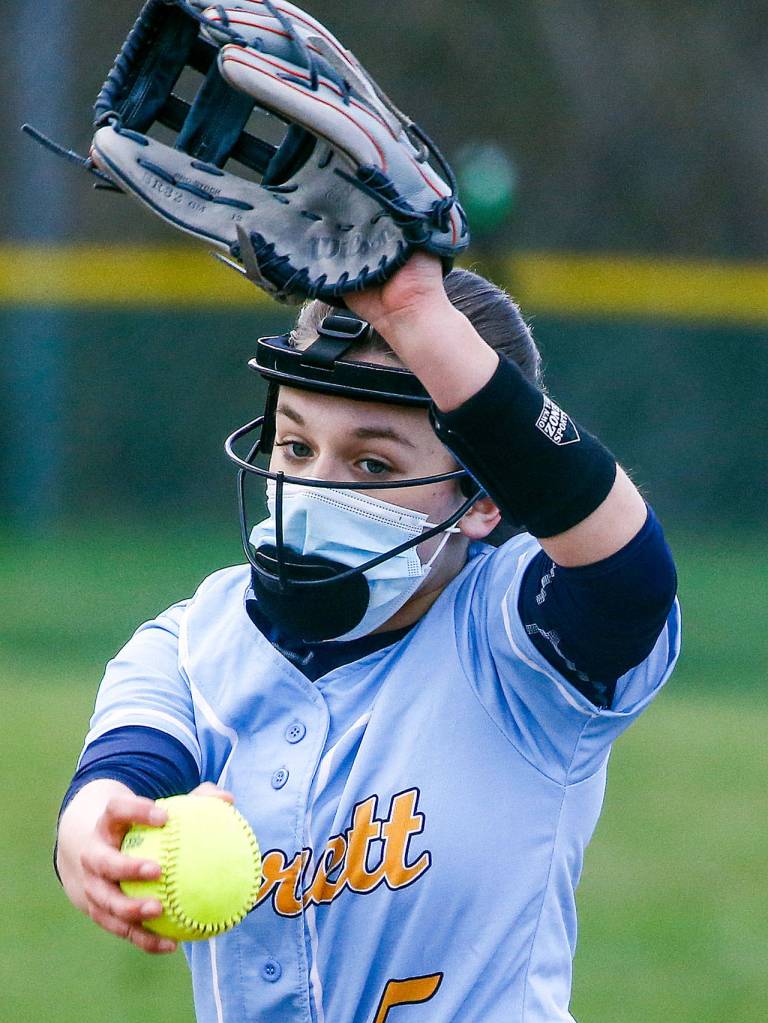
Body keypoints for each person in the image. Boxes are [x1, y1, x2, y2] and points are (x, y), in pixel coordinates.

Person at [56, 252, 680, 1023]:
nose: (317, 484)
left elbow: (630, 575)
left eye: (373, 460)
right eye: (295, 445)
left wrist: (423, 318)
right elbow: (118, 777)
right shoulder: (192, 641)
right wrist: (93, 832)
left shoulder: (516, 642)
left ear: (483, 499)